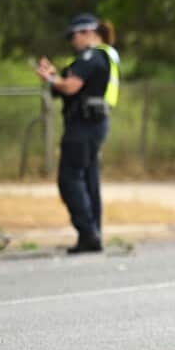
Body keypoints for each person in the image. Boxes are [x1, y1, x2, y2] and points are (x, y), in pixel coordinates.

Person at [33, 13, 121, 253]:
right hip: (93, 124)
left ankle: (88, 233)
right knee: (90, 180)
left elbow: (71, 86)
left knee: (69, 179)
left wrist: (50, 78)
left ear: (87, 32)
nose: (72, 41)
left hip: (83, 126)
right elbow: (65, 87)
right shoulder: (102, 56)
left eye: (73, 36)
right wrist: (55, 77)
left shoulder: (92, 56)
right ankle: (93, 234)